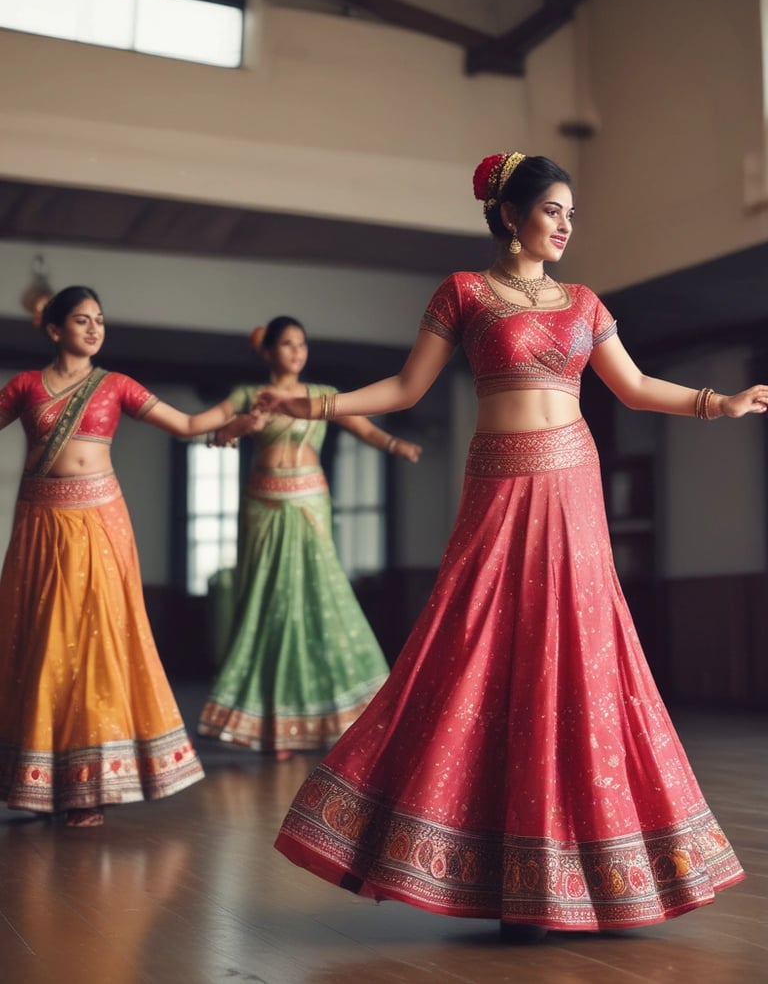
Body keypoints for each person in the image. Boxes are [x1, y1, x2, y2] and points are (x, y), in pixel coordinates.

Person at [259, 153, 768, 940]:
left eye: (572, 213)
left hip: (572, 487)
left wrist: (719, 402)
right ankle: (487, 863)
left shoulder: (585, 301)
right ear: (508, 215)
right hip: (497, 489)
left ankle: (578, 867)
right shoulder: (463, 292)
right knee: (472, 646)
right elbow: (405, 388)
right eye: (553, 209)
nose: (566, 225)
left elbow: (631, 386)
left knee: (581, 652)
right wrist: (318, 401)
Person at [0, 285, 259, 828]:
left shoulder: (114, 385)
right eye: (81, 320)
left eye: (99, 320)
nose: (94, 329)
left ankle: (90, 785)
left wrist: (233, 414)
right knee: (44, 640)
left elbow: (187, 425)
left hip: (100, 523)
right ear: (54, 330)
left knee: (95, 643)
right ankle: (40, 778)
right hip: (42, 525)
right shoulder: (25, 386)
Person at [197, 316, 422, 761]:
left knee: (321, 597)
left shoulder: (323, 395)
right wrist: (249, 422)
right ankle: (273, 726)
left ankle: (344, 718)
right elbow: (216, 435)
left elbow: (364, 427)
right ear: (268, 351)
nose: (297, 352)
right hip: (264, 504)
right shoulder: (248, 395)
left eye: (302, 344)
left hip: (309, 503)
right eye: (287, 344)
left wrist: (397, 447)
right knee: (268, 601)